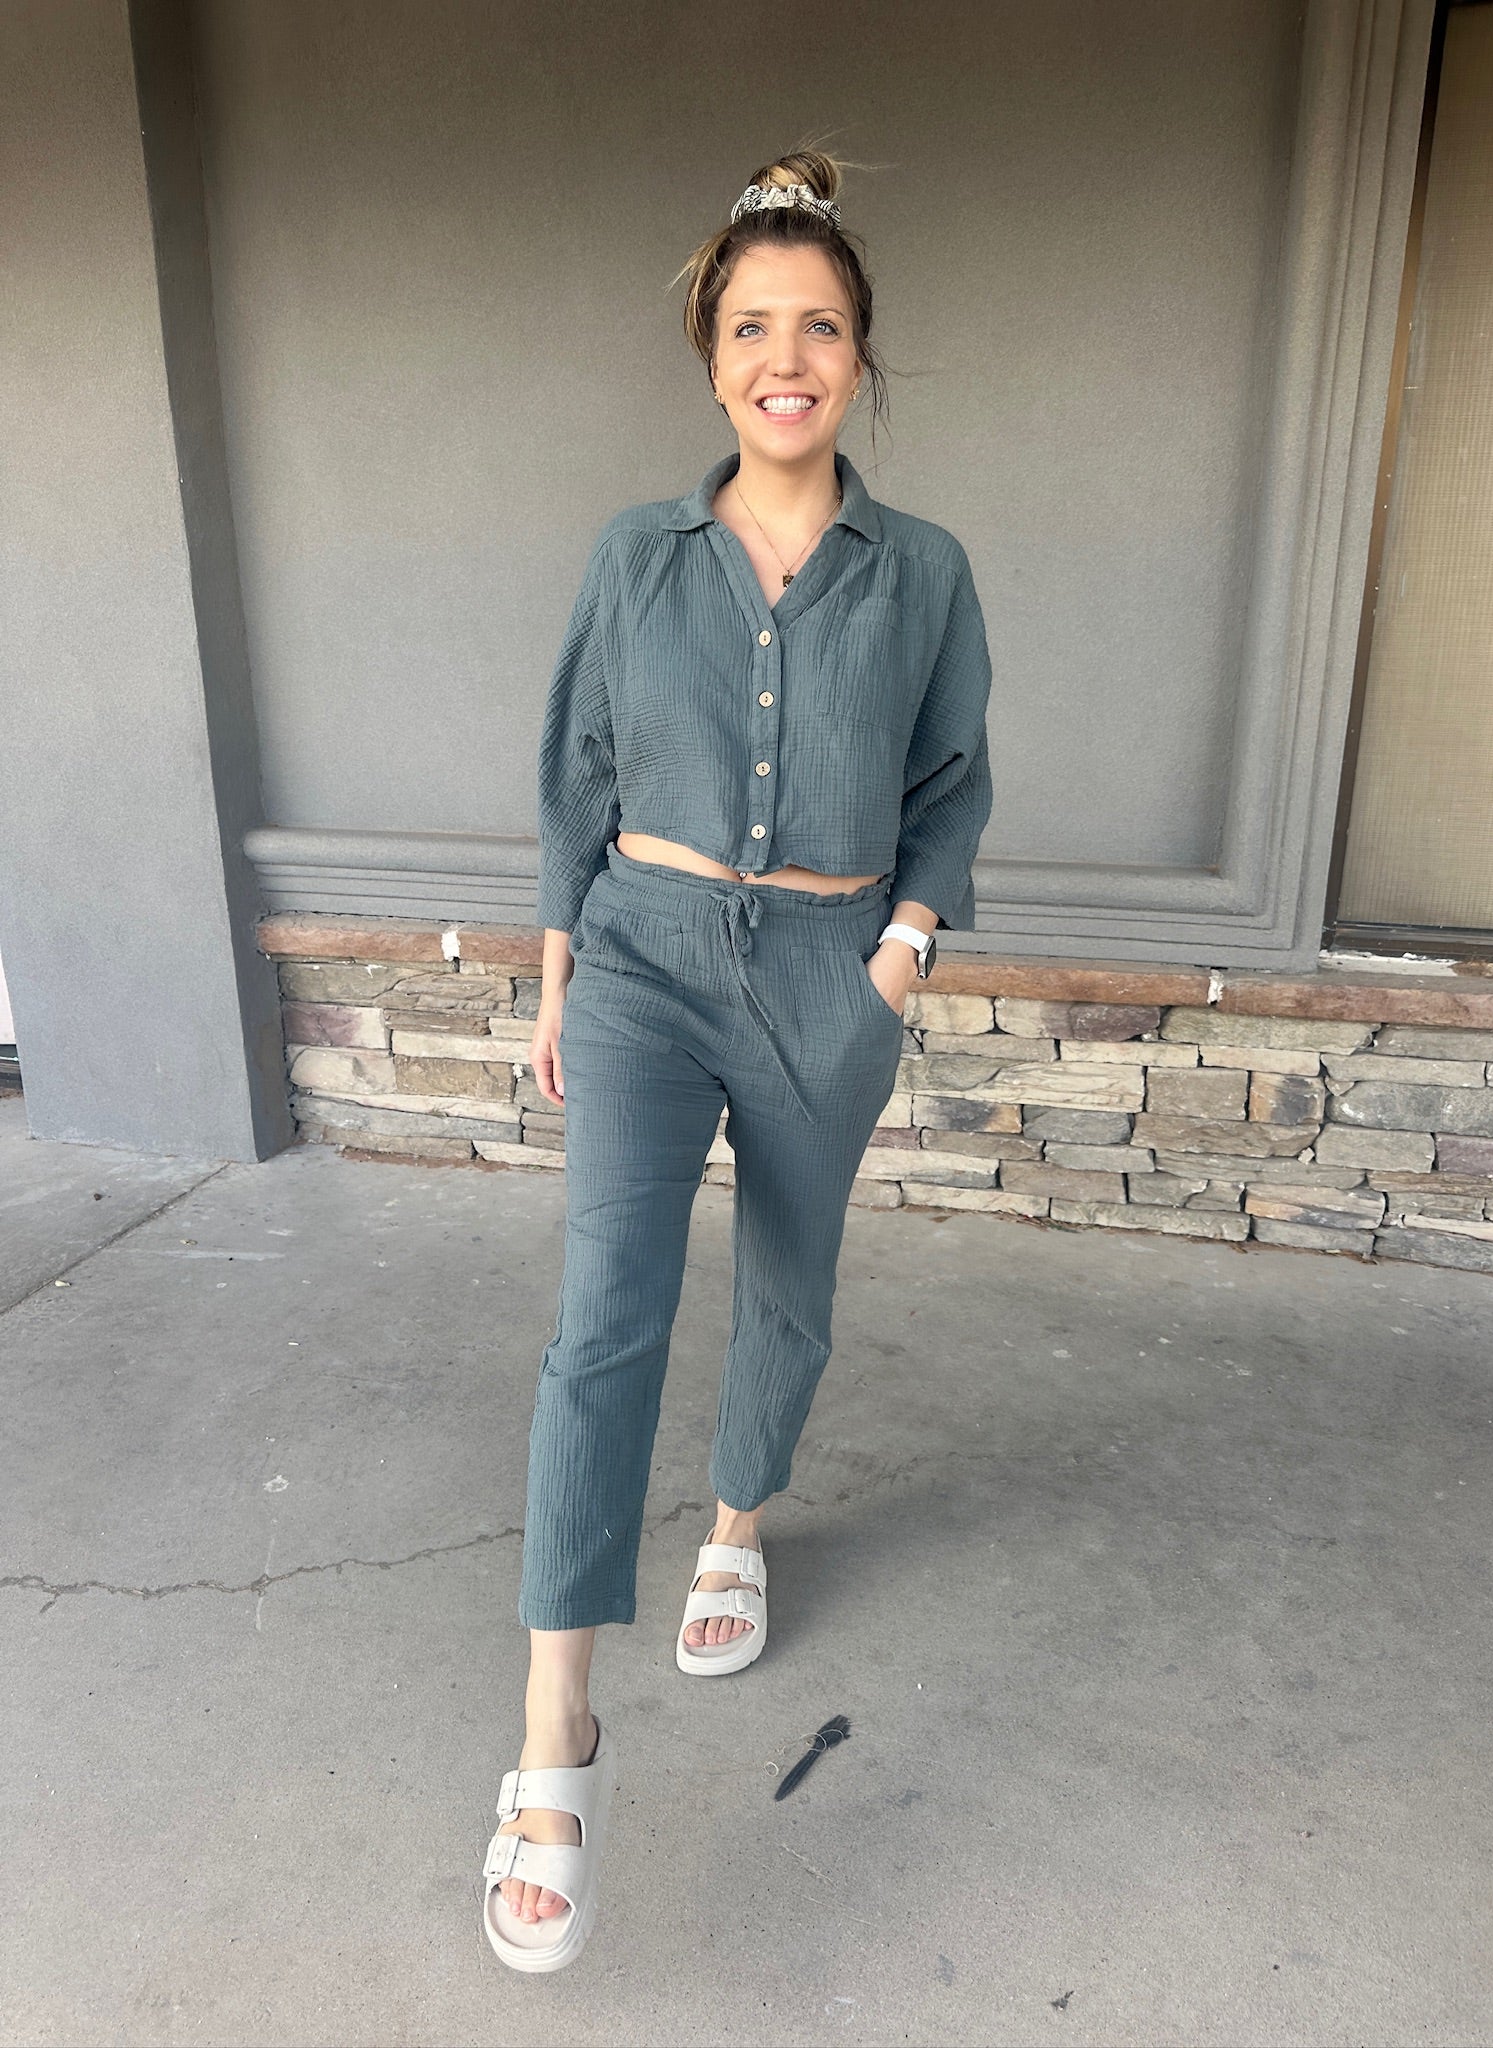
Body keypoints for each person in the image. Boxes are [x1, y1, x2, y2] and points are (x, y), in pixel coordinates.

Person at [481, 146, 994, 1972]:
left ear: (861, 356)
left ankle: (736, 1523)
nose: (789, 358)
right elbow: (577, 774)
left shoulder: (923, 574)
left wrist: (899, 956)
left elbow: (952, 785)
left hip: (826, 976)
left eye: (822, 326)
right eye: (755, 325)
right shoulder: (640, 555)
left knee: (789, 1279)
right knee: (603, 1318)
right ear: (712, 357)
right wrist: (558, 977)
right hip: (640, 956)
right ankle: (556, 1743)